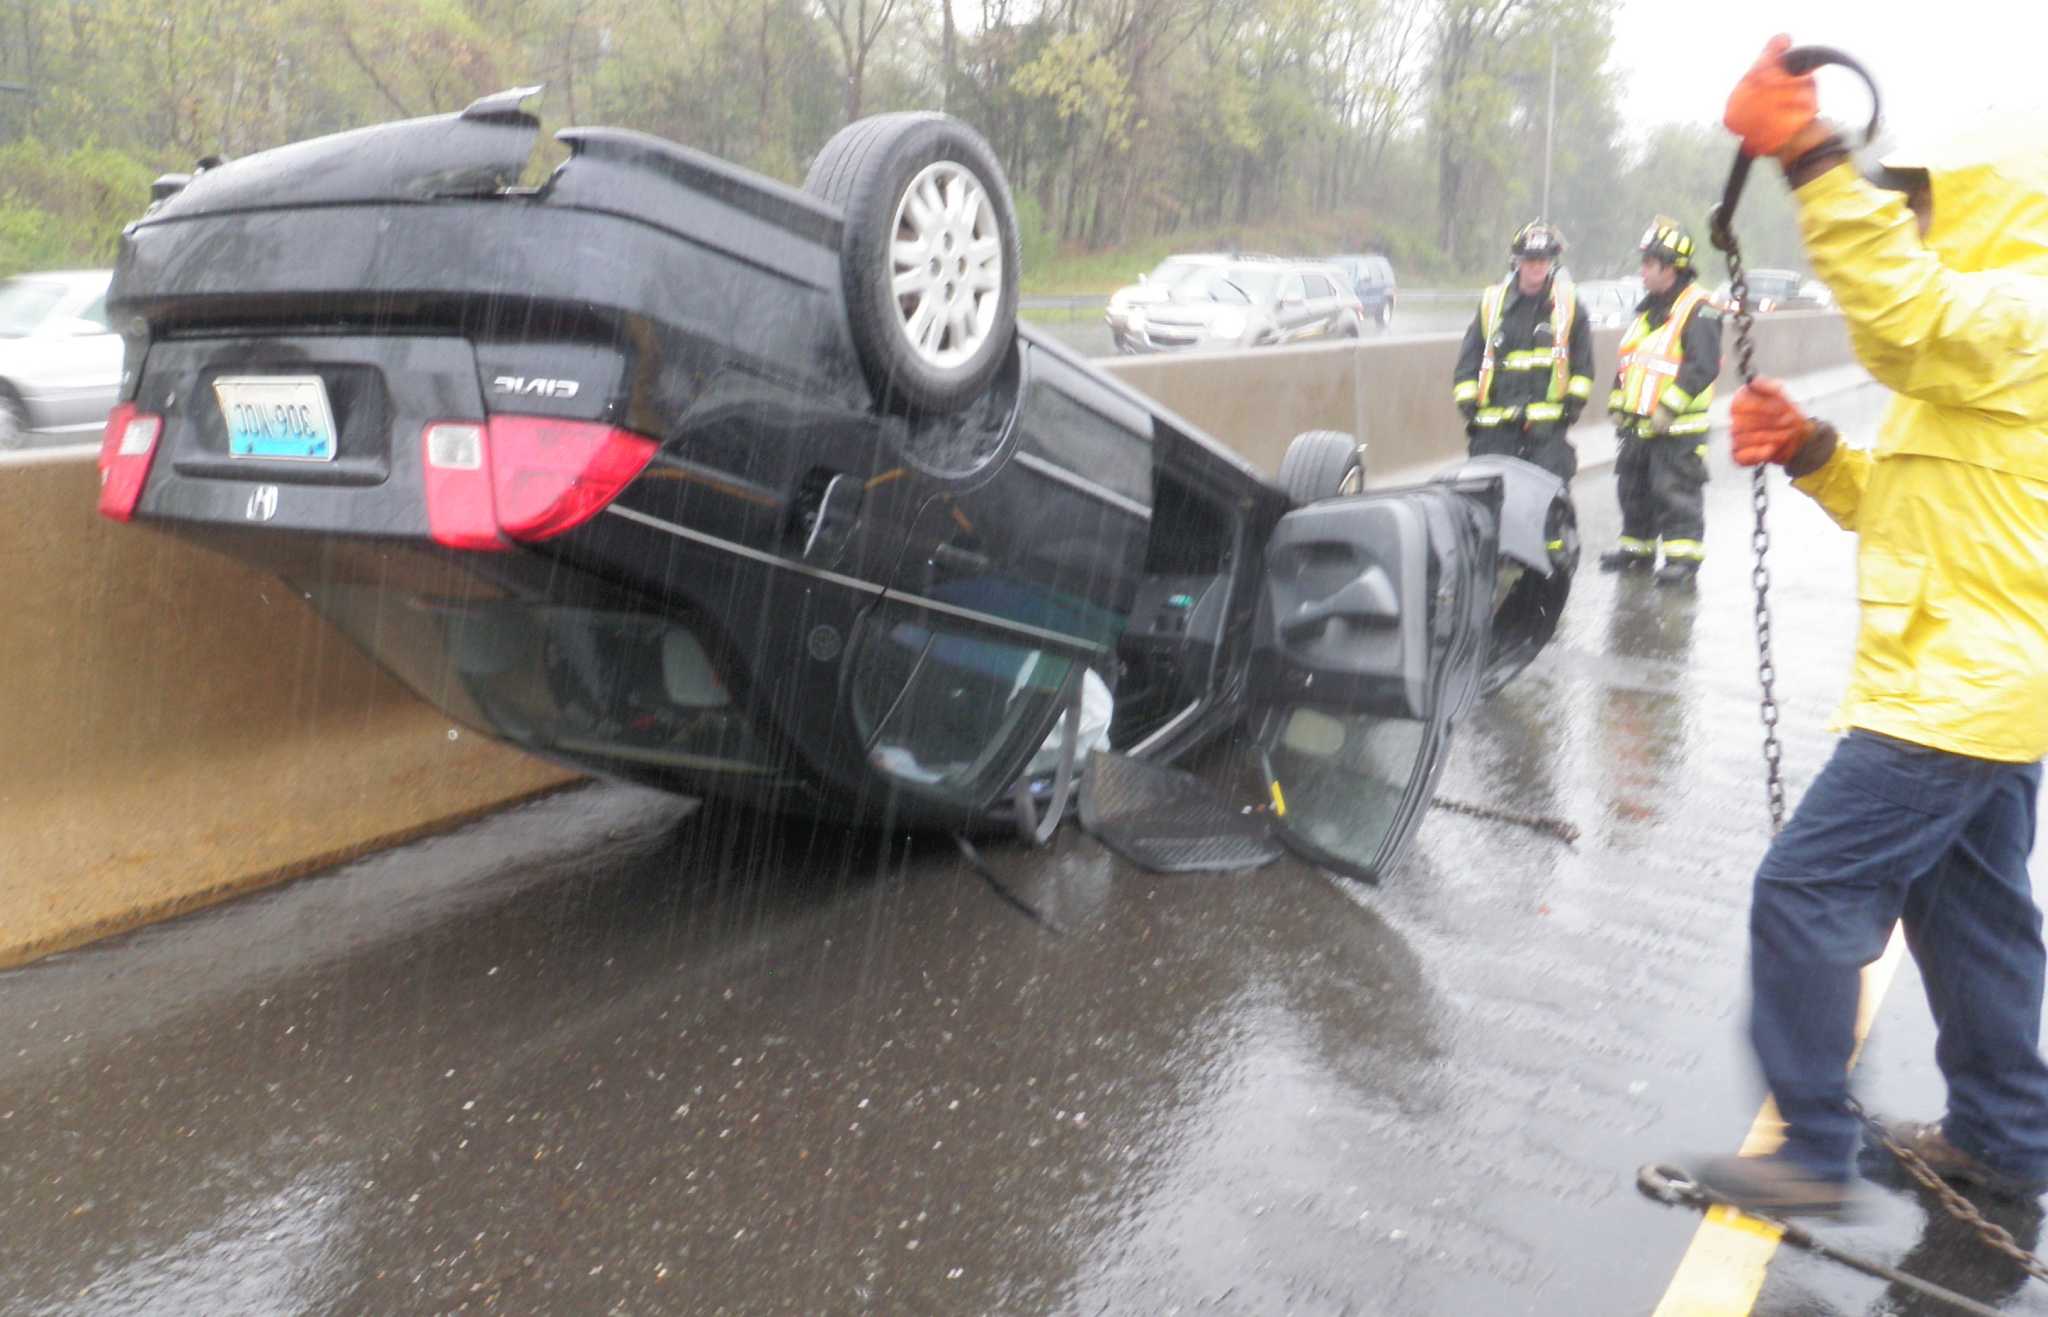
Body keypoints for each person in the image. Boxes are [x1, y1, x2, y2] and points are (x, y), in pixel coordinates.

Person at [1685, 35, 2048, 1218]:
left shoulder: (2020, 313)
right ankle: (2003, 1141)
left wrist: (1806, 153)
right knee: (1974, 917)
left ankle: (1811, 1152)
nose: (1913, 216)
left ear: (1996, 202)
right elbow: (1909, 504)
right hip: (1990, 682)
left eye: (1927, 198)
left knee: (1802, 892)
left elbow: (1897, 315)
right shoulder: (1990, 342)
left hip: (1956, 688)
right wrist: (1813, 453)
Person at [1599, 217, 1724, 586]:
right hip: (1640, 427)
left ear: (1669, 268)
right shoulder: (1647, 310)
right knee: (1634, 490)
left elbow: (1702, 366)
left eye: (1648, 264)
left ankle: (1682, 562)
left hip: (1677, 430)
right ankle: (1636, 552)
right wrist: (1618, 402)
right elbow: (1631, 361)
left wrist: (1669, 407)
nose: (1642, 271)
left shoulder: (1701, 308)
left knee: (1676, 494)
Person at [1451, 221, 1595, 484]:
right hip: (1494, 434)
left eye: (1543, 259)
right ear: (1517, 261)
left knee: (1549, 510)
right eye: (1530, 260)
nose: (1537, 266)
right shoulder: (1492, 303)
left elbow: (1583, 366)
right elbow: (1468, 362)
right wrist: (1468, 403)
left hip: (1546, 438)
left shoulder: (1569, 305)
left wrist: (1570, 407)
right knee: (1489, 511)